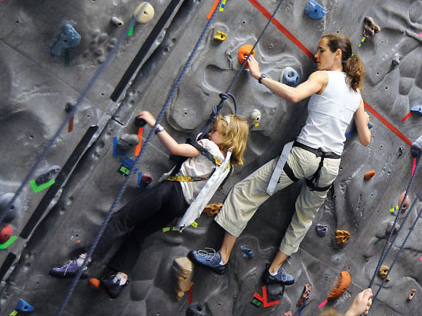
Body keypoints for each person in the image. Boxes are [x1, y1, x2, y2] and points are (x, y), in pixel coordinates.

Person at [189, 33, 371, 285]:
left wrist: (260, 76)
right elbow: (365, 139)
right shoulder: (356, 92)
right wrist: (365, 122)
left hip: (304, 156)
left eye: (321, 51)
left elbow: (295, 95)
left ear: (337, 55)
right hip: (329, 166)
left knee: (245, 193)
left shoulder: (323, 77)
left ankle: (221, 258)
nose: (316, 56)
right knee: (303, 219)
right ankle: (274, 271)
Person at [49, 111, 249, 298]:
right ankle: (119, 278)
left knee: (121, 220)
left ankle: (85, 260)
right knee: (138, 235)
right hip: (180, 206)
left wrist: (154, 122)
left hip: (170, 190)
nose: (211, 133)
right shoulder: (226, 167)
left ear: (228, 137)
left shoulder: (208, 146)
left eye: (216, 131)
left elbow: (175, 149)